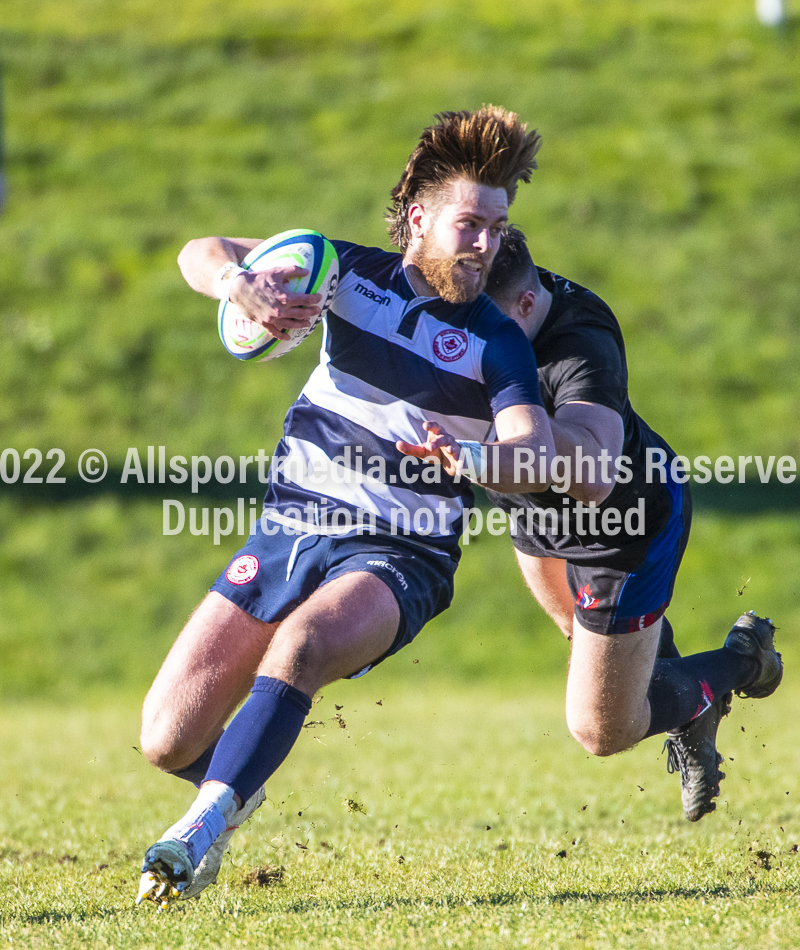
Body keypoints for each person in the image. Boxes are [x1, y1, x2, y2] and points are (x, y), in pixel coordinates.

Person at [136, 106, 558, 906]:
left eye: (498, 230)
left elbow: (531, 450)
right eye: (470, 224)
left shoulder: (497, 341)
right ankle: (233, 782)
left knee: (301, 644)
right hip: (293, 526)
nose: (485, 244)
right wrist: (242, 285)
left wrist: (471, 456)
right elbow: (201, 251)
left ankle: (198, 832)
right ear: (420, 218)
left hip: (402, 553)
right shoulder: (344, 271)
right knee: (165, 738)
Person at [409, 225, 783, 823]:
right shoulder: (469, 312)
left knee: (600, 728)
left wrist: (487, 445)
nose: (471, 345)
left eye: (489, 327)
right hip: (536, 519)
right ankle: (692, 711)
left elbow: (594, 469)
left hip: (625, 527)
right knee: (582, 636)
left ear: (525, 305)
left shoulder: (580, 342)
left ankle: (743, 660)